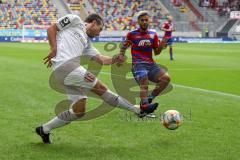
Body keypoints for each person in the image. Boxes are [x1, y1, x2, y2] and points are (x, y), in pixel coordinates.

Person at [36, 13, 157, 144]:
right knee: (101, 88)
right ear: (93, 23)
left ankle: (44, 129)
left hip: (65, 72)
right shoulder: (75, 20)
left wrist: (115, 59)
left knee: (79, 111)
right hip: (66, 65)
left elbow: (101, 59)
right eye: (100, 29)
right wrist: (54, 48)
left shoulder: (87, 43)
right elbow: (52, 29)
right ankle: (138, 110)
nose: (99, 34)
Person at [118, 11, 171, 117]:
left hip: (151, 64)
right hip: (138, 64)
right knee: (144, 81)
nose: (144, 22)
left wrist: (161, 45)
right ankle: (146, 106)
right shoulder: (132, 34)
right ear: (138, 21)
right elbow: (124, 46)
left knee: (166, 79)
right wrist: (121, 55)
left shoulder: (153, 34)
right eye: (142, 20)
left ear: (149, 21)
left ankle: (147, 101)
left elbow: (156, 52)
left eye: (146, 20)